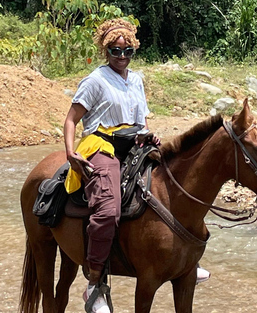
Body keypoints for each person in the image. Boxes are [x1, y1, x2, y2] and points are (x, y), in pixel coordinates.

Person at [63, 19, 209, 313]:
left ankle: (186, 258)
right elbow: (71, 119)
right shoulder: (95, 81)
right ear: (106, 51)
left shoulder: (137, 79)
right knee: (108, 208)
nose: (122, 56)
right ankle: (94, 281)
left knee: (177, 182)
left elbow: (141, 119)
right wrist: (70, 153)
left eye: (128, 50)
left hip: (135, 143)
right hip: (101, 144)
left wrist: (148, 135)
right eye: (116, 50)